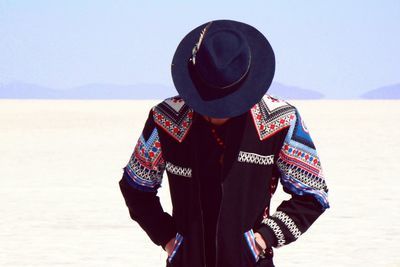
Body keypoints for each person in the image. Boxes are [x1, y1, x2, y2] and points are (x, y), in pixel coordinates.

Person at [118, 19, 329, 267]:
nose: (219, 110)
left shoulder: (280, 120)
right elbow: (135, 186)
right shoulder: (166, 119)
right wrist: (167, 238)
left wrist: (262, 238)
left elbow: (313, 193)